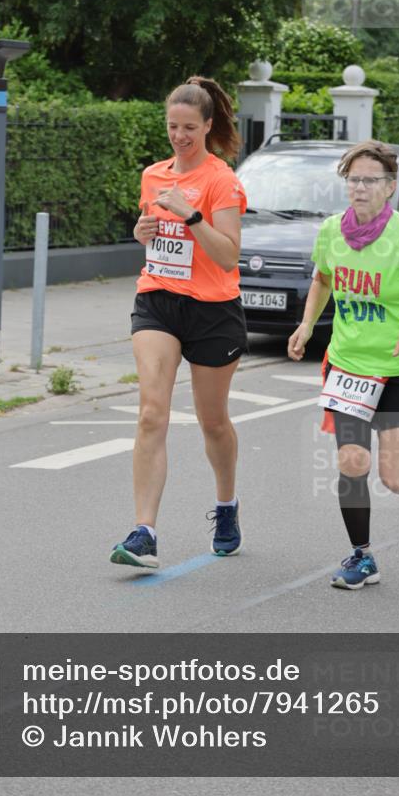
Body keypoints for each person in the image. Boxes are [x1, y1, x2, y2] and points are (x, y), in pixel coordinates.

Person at [288, 140, 399, 590]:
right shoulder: (330, 232)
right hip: (348, 366)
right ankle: (362, 556)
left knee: (395, 478)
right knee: (353, 462)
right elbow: (322, 278)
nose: (359, 188)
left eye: (370, 180)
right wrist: (306, 325)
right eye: (353, 179)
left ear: (390, 186)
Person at [110, 77, 248, 570]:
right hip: (159, 301)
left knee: (213, 423)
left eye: (189, 127)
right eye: (173, 126)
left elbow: (228, 256)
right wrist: (141, 230)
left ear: (208, 126)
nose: (180, 136)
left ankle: (227, 505)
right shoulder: (153, 175)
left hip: (212, 311)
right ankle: (144, 532)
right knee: (152, 413)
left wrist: (192, 217)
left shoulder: (222, 181)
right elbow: (152, 233)